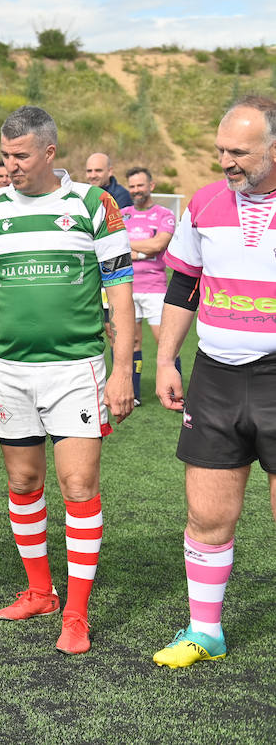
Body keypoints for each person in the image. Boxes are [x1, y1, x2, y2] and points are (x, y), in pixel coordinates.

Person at [0, 105, 134, 656]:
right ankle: (40, 592)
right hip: (10, 369)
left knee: (78, 486)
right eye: (4, 155)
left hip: (76, 369)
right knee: (22, 483)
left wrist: (123, 369)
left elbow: (121, 290)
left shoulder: (93, 203)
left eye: (21, 155)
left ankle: (76, 614)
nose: (10, 165)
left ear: (49, 153)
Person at [151, 95, 276, 668]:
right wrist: (165, 360)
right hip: (216, 377)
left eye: (240, 152)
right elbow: (183, 286)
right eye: (221, 150)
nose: (226, 161)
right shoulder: (203, 203)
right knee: (207, 516)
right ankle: (206, 632)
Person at [120, 166, 177, 405]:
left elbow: (158, 245)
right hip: (126, 287)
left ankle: (174, 392)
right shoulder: (122, 214)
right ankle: (134, 394)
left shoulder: (164, 214)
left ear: (151, 186)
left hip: (155, 288)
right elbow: (114, 244)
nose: (136, 190)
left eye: (140, 185)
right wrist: (143, 248)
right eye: (132, 186)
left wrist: (129, 245)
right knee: (131, 342)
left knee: (165, 342)